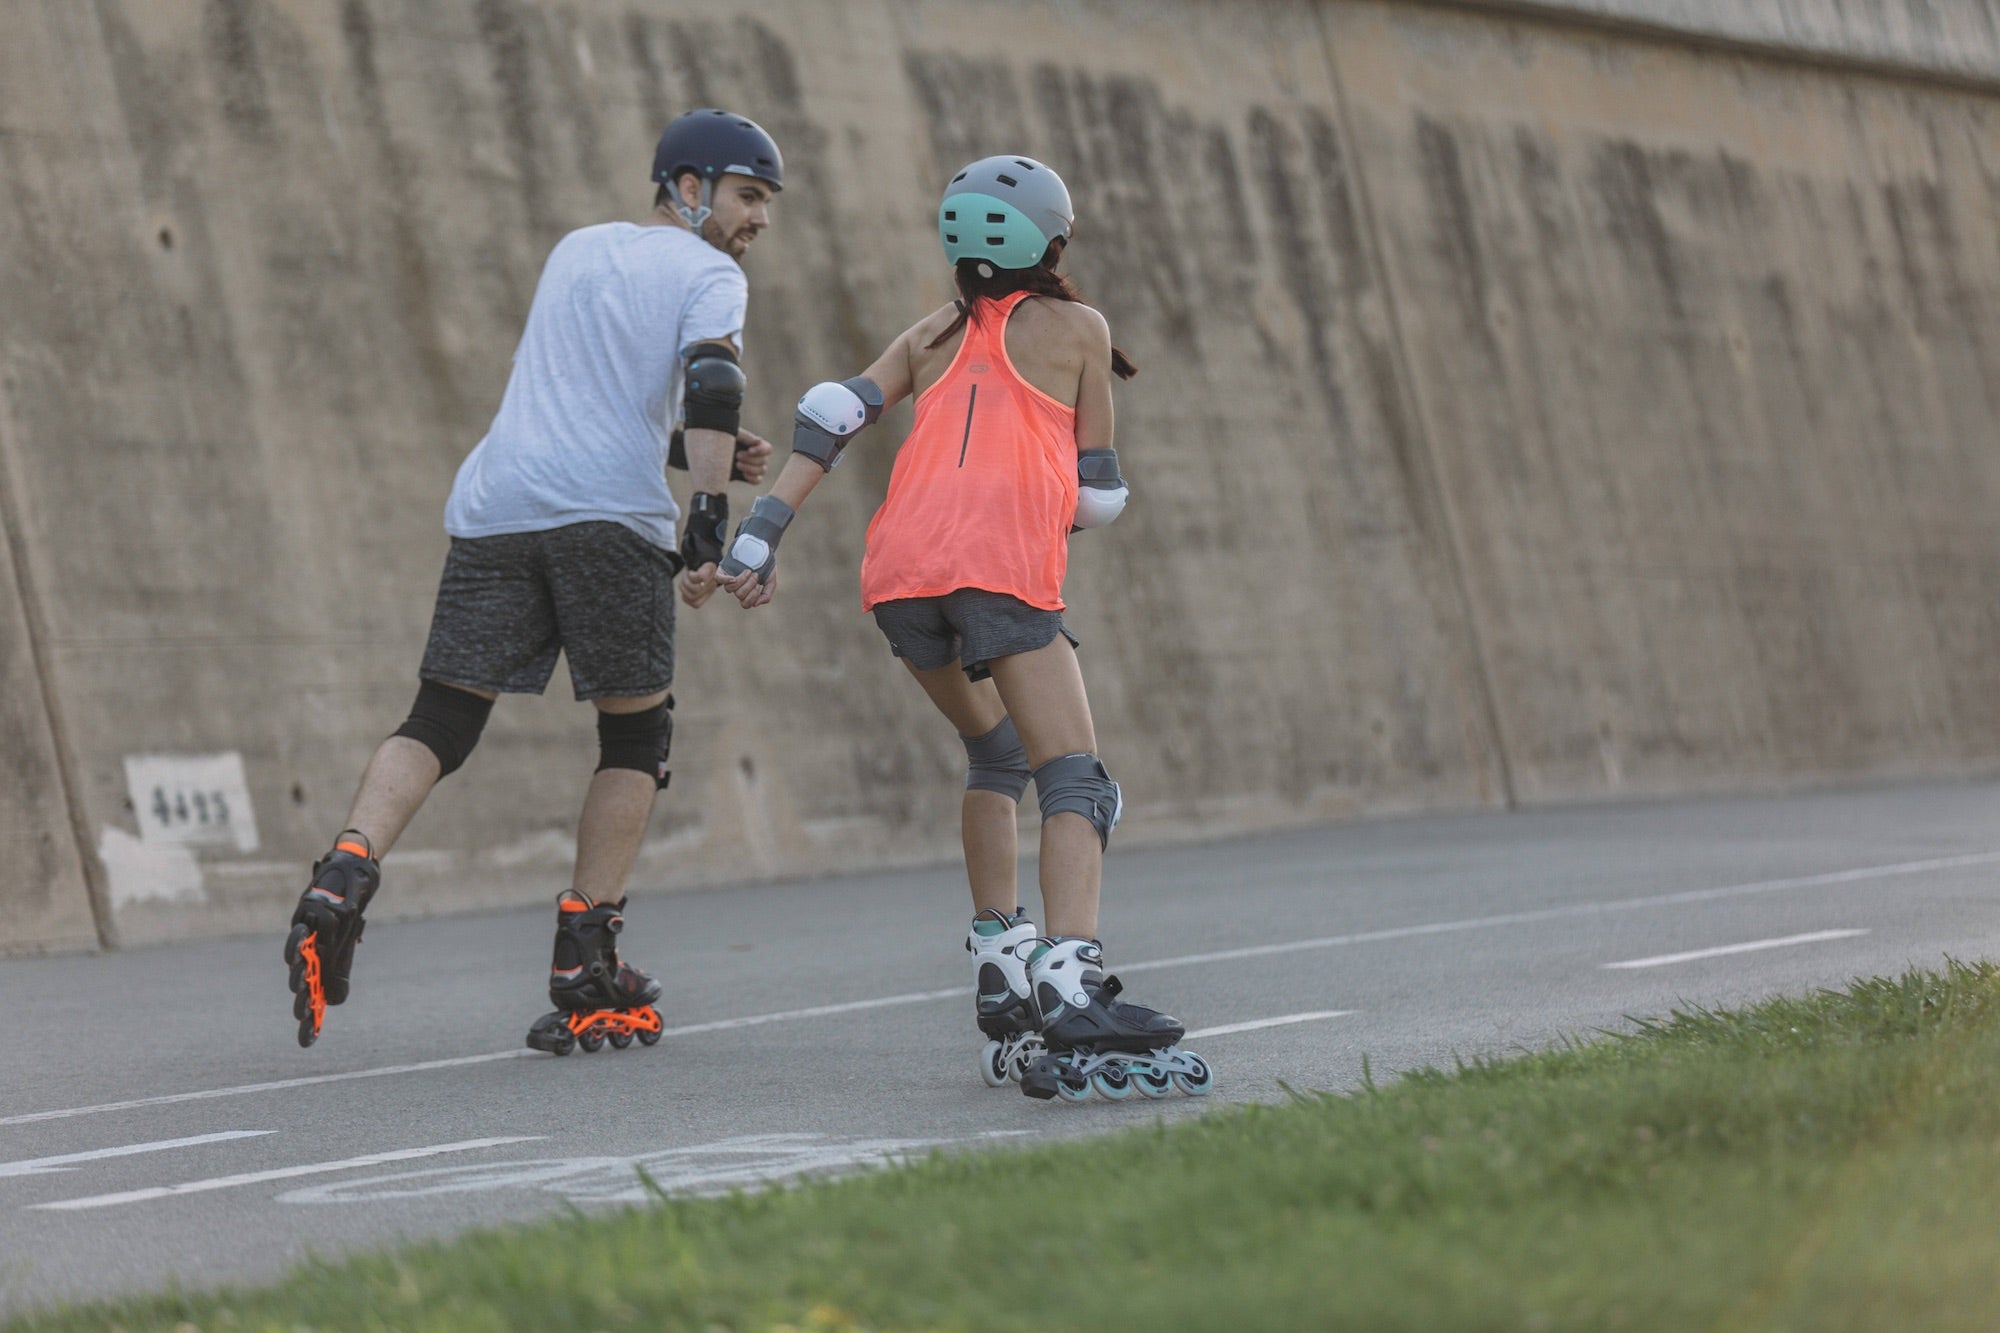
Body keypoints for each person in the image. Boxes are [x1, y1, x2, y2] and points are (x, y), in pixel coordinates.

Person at [699, 155, 1212, 1102]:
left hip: (899, 576)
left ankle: (997, 952)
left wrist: (758, 540)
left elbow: (828, 417)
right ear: (1053, 243)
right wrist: (1046, 496)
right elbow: (1100, 492)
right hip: (999, 575)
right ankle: (1071, 981)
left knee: (996, 755)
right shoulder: (1082, 328)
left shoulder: (927, 333)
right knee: (1077, 780)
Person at [283, 109, 784, 1055]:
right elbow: (714, 382)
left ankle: (340, 878)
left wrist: (682, 449)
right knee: (636, 731)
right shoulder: (712, 272)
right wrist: (709, 514)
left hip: (499, 504)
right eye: (747, 195)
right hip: (605, 520)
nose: (759, 217)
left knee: (439, 716)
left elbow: (583, 397)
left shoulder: (577, 248)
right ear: (688, 188)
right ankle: (586, 957)